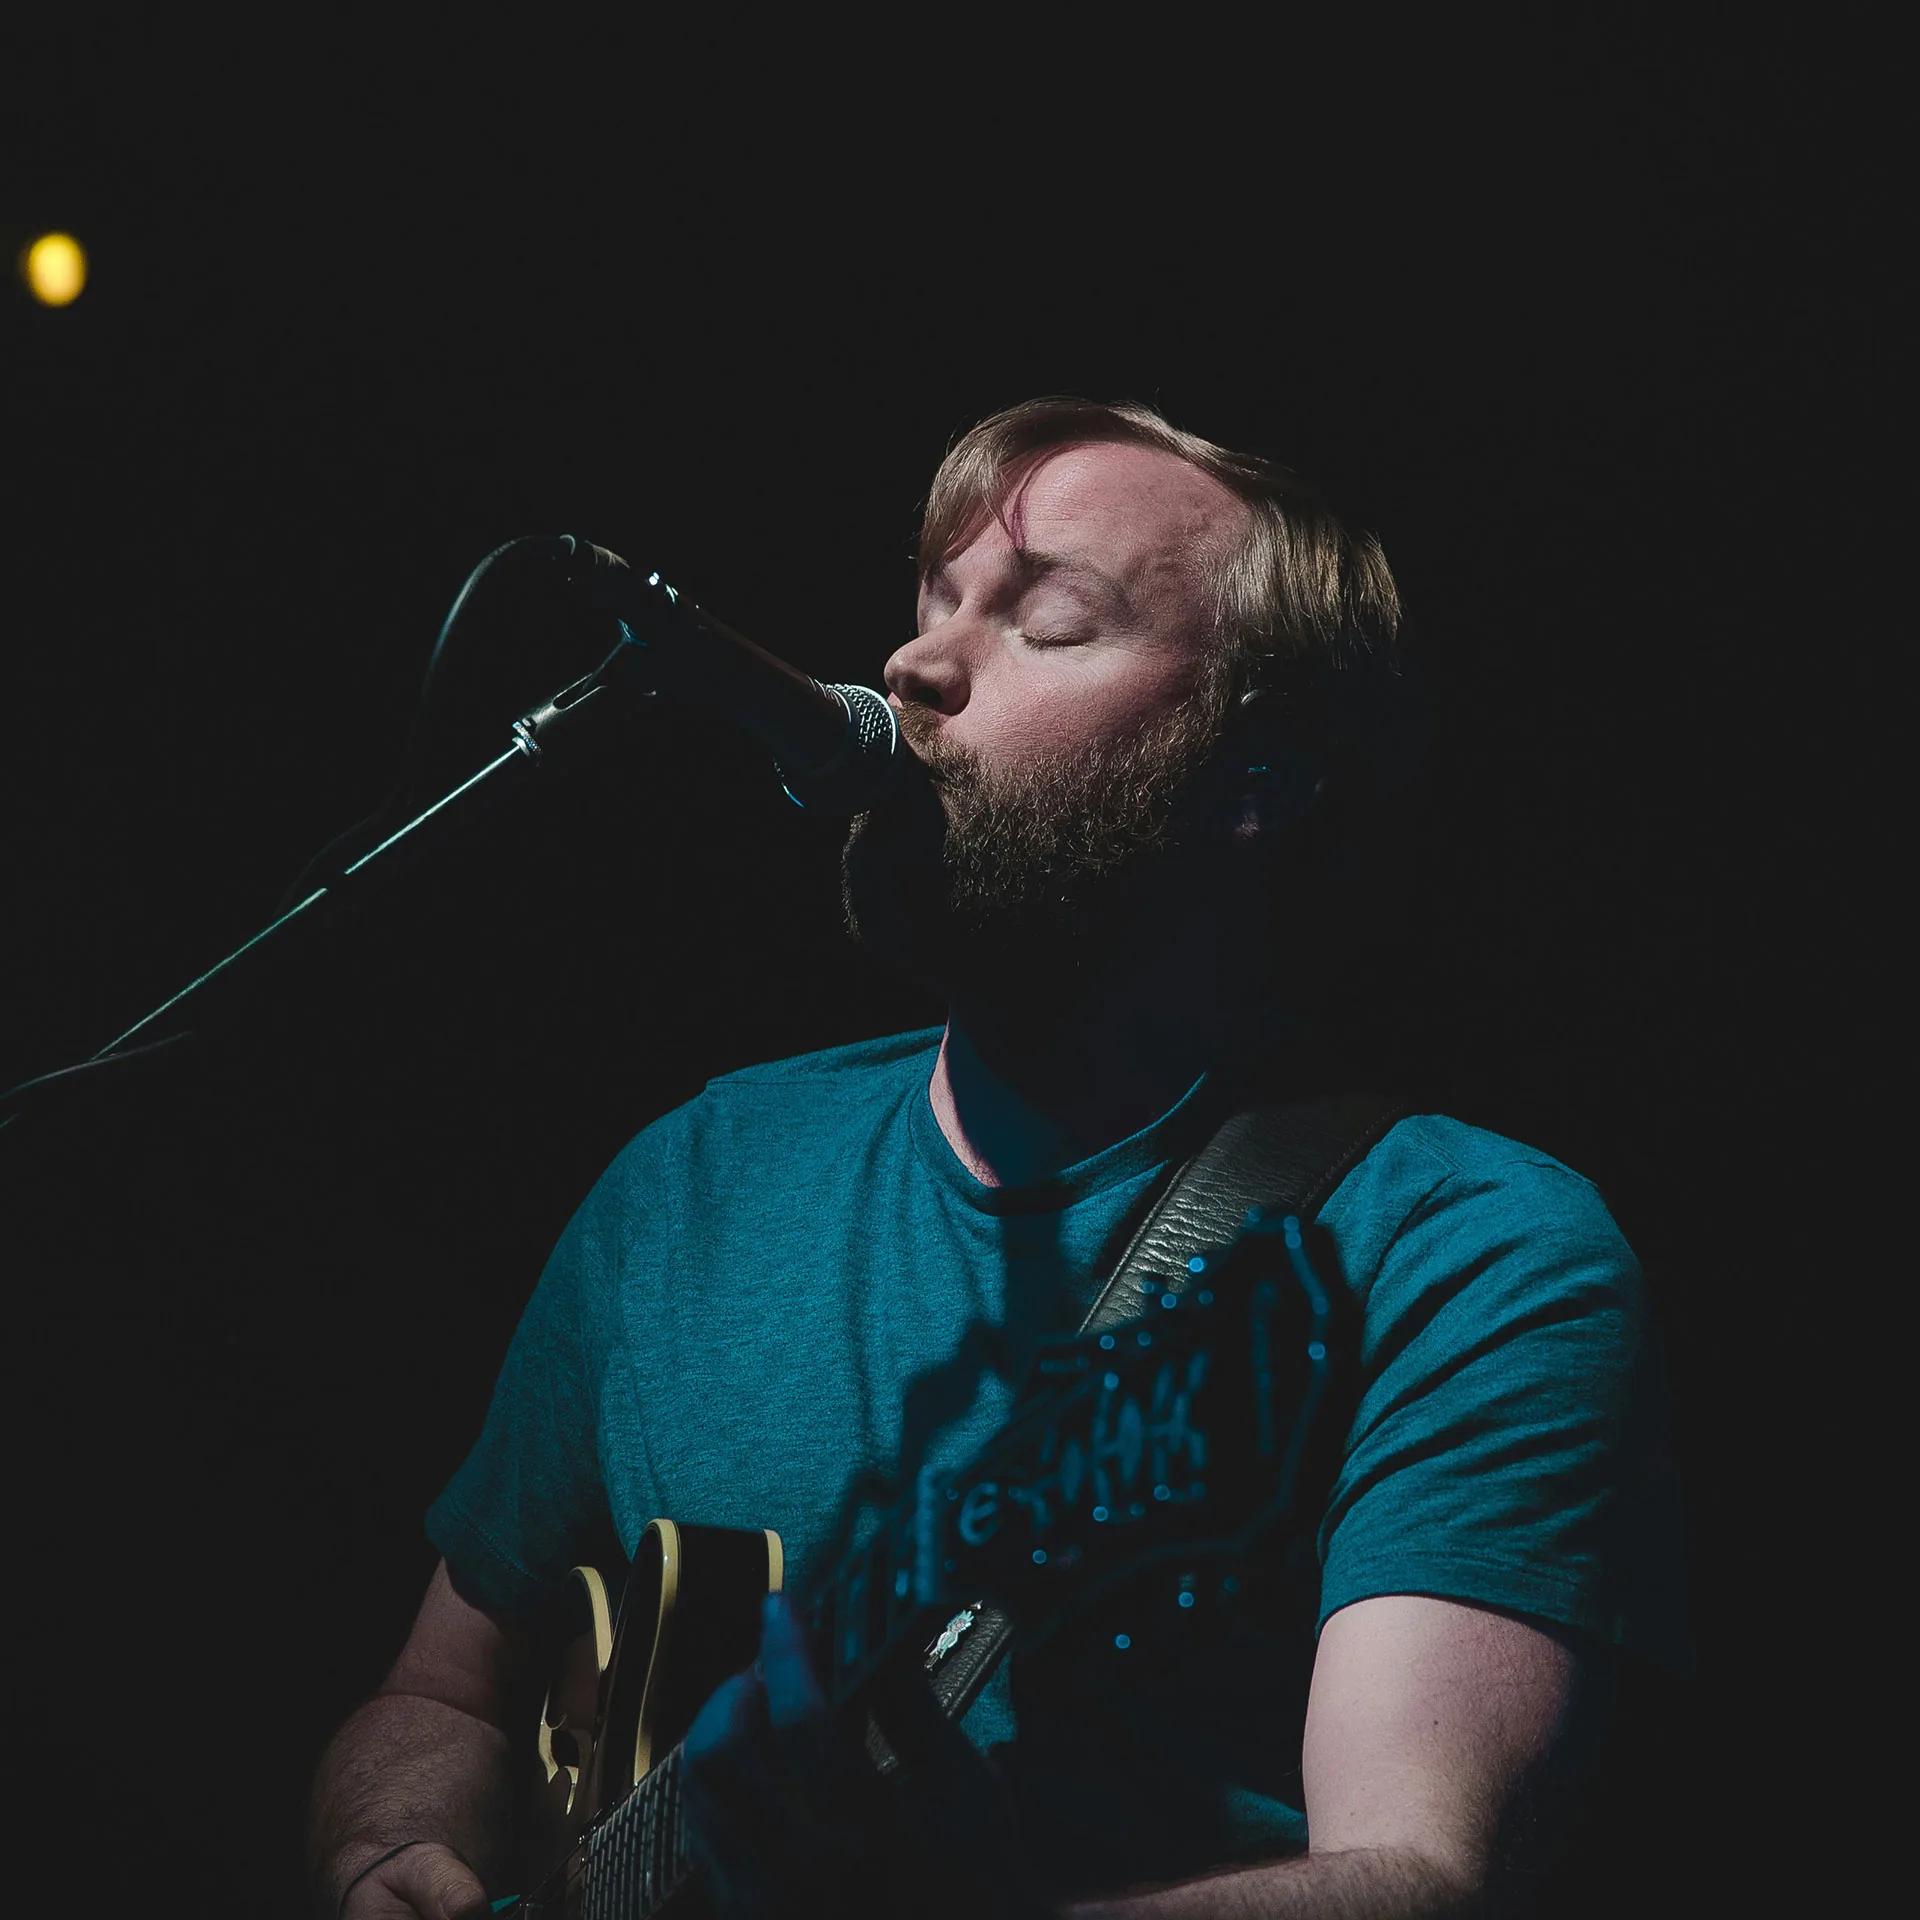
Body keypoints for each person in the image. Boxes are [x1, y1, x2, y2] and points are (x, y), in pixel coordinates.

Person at [308, 398, 1683, 1918]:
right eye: (933, 603)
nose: (913, 667)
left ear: (1258, 776)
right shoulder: (691, 1184)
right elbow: (441, 1696)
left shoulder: (1458, 1252)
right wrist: (386, 1852)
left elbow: (1421, 1878)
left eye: (1050, 622)